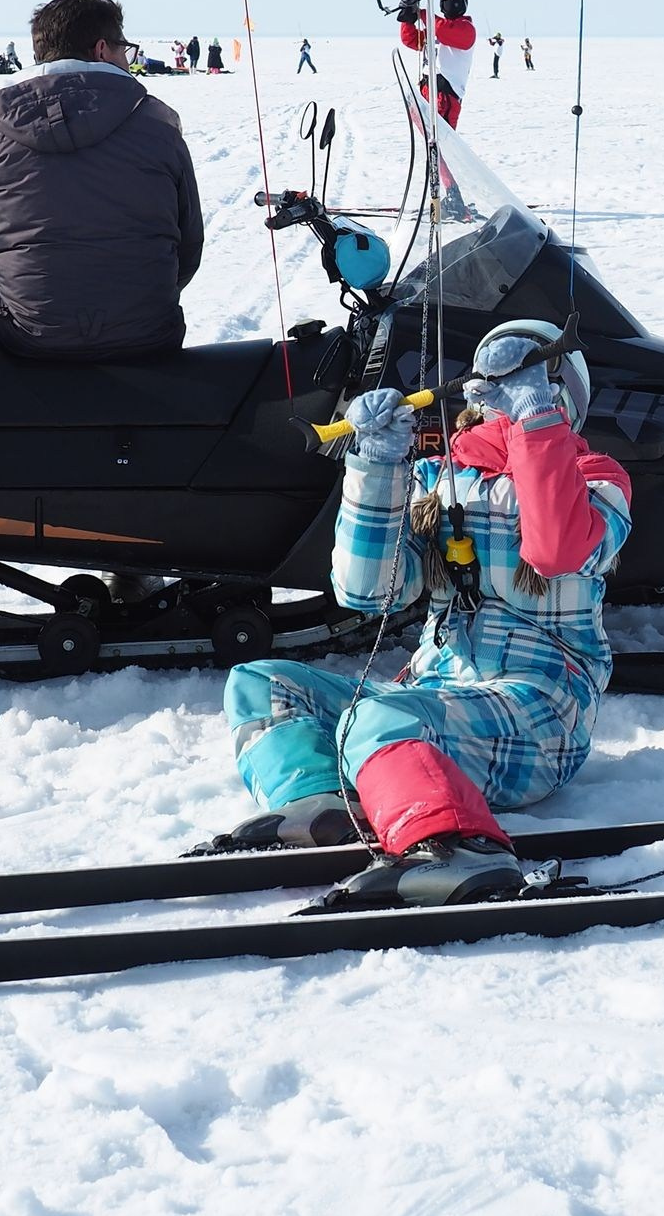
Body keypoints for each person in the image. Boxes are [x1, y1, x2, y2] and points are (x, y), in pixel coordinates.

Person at [218, 322, 632, 905]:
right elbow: (366, 591)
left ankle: (452, 846)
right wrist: (378, 464)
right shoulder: (438, 481)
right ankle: (324, 806)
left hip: (540, 715)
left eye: (536, 384)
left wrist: (538, 422)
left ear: (560, 397)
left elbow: (557, 550)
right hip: (440, 699)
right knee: (261, 683)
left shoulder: (597, 482)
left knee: (380, 721)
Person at [0, 0, 203, 359]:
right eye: (125, 49)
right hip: (148, 330)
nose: (129, 60)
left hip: (26, 333)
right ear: (102, 50)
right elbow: (188, 245)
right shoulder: (158, 122)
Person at [397, 0, 479, 127]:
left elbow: (444, 30)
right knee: (428, 138)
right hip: (426, 89)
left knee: (441, 139)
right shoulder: (435, 29)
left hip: (446, 95)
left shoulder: (466, 28)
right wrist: (408, 19)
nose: (452, 0)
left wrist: (422, 13)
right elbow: (411, 40)